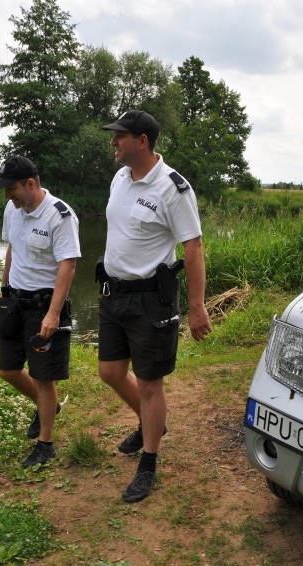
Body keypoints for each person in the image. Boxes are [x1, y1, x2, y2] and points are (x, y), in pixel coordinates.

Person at [98, 110, 212, 503]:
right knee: (110, 371)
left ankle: (148, 462)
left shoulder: (173, 188)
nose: (113, 142)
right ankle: (153, 425)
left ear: (142, 140)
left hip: (151, 298)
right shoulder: (119, 178)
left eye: (119, 136)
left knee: (149, 382)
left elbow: (193, 247)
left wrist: (197, 306)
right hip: (113, 293)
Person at [0, 155, 80, 468]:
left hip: (43, 306)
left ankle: (46, 445)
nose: (6, 196)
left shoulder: (60, 215)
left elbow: (68, 265)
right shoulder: (12, 210)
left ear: (31, 184)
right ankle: (48, 408)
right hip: (14, 302)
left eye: (10, 188)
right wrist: (3, 291)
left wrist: (53, 314)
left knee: (44, 377)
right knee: (7, 369)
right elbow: (12, 249)